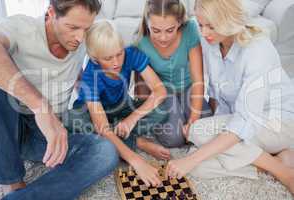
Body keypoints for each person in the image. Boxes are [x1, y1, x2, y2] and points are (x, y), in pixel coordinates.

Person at [165, 0, 294, 195]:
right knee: (199, 166)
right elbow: (220, 96)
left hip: (279, 122)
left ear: (228, 21)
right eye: (200, 25)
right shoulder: (213, 41)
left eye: (211, 26)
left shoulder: (257, 50)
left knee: (198, 135)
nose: (204, 32)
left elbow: (245, 121)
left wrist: (194, 157)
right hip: (243, 119)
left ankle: (283, 172)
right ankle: (275, 159)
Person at [0, 1, 119, 200]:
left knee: (105, 151)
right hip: (8, 126)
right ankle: (11, 181)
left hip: (45, 136)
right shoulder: (22, 27)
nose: (80, 38)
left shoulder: (82, 41)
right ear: (51, 13)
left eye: (86, 29)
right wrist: (40, 106)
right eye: (72, 27)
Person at [72, 20, 167, 187]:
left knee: (165, 107)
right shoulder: (89, 76)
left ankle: (122, 133)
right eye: (108, 58)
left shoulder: (130, 54)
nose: (116, 62)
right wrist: (136, 161)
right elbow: (102, 127)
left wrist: (132, 118)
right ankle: (137, 142)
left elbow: (160, 91)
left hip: (121, 107)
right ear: (95, 59)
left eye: (119, 54)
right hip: (91, 113)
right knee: (73, 121)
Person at [135, 0, 212, 156]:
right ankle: (175, 119)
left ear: (179, 23)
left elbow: (198, 79)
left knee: (206, 129)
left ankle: (184, 116)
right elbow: (141, 85)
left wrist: (193, 118)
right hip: (162, 92)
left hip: (189, 87)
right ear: (147, 23)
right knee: (174, 138)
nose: (163, 38)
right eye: (155, 30)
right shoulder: (140, 42)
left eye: (170, 30)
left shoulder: (190, 29)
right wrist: (147, 114)